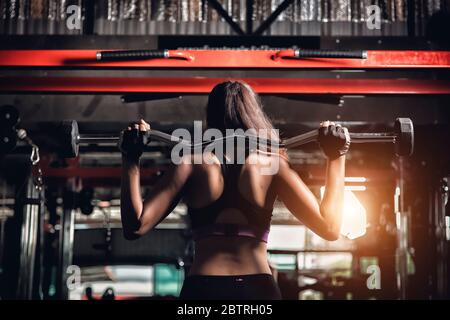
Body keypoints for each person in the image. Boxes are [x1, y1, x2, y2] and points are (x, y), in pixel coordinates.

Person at [120, 80, 350, 300]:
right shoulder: (272, 165)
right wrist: (336, 156)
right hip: (257, 289)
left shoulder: (189, 163)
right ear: (253, 113)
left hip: (204, 287)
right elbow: (329, 228)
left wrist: (131, 157)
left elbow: (135, 226)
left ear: (210, 115)